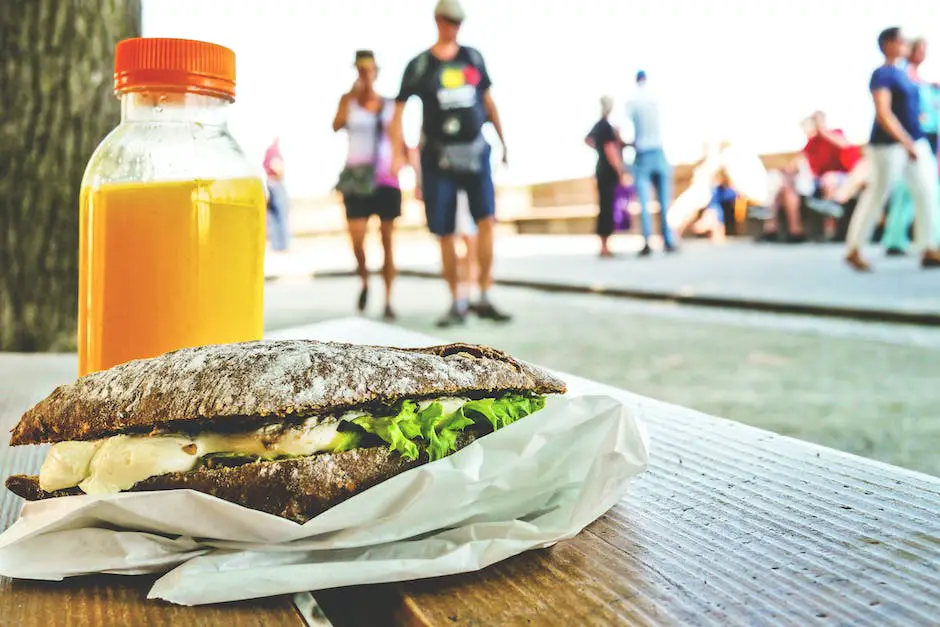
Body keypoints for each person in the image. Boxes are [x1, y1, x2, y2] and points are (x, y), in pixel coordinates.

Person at [389, 0, 511, 327]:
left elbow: (488, 101)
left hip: (474, 150)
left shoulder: (472, 58)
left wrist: (503, 141)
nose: (453, 27)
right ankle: (457, 300)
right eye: (448, 21)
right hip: (437, 156)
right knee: (444, 231)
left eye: (458, 22)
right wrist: (399, 154)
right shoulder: (420, 65)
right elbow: (398, 112)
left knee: (486, 221)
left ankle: (483, 294)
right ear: (437, 20)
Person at [845, 27, 940, 271]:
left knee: (927, 192)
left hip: (914, 142)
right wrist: (906, 141)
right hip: (890, 145)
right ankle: (854, 247)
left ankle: (930, 247)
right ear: (888, 43)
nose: (904, 44)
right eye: (900, 40)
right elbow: (884, 112)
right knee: (878, 193)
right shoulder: (883, 74)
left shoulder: (904, 74)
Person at [332, 50, 402, 320]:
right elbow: (336, 125)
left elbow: (398, 137)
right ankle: (364, 280)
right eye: (360, 70)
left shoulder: (389, 104)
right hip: (356, 176)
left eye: (369, 69)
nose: (365, 74)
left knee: (387, 241)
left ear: (376, 71)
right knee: (358, 239)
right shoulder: (347, 101)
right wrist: (352, 94)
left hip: (385, 178)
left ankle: (388, 299)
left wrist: (401, 164)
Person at [882, 38, 940, 255]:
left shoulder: (920, 80)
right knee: (922, 190)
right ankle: (926, 243)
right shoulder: (902, 75)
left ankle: (901, 239)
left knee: (919, 189)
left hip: (927, 137)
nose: (923, 53)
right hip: (915, 138)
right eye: (920, 49)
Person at [626, 70, 675, 256]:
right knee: (664, 201)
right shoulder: (656, 97)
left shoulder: (632, 100)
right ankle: (667, 240)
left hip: (642, 152)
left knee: (644, 203)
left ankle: (647, 241)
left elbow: (628, 127)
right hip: (658, 150)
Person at [585, 96, 627, 257]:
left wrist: (598, 149)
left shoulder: (598, 125)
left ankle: (603, 246)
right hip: (608, 172)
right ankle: (604, 247)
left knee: (604, 207)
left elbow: (587, 140)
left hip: (600, 169)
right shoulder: (606, 126)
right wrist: (620, 170)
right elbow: (610, 150)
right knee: (607, 208)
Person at [263, 137, 289, 252]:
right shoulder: (274, 150)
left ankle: (276, 245)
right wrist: (281, 176)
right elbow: (276, 166)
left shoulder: (268, 150)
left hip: (269, 182)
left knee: (273, 216)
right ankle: (283, 245)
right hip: (275, 183)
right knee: (281, 215)